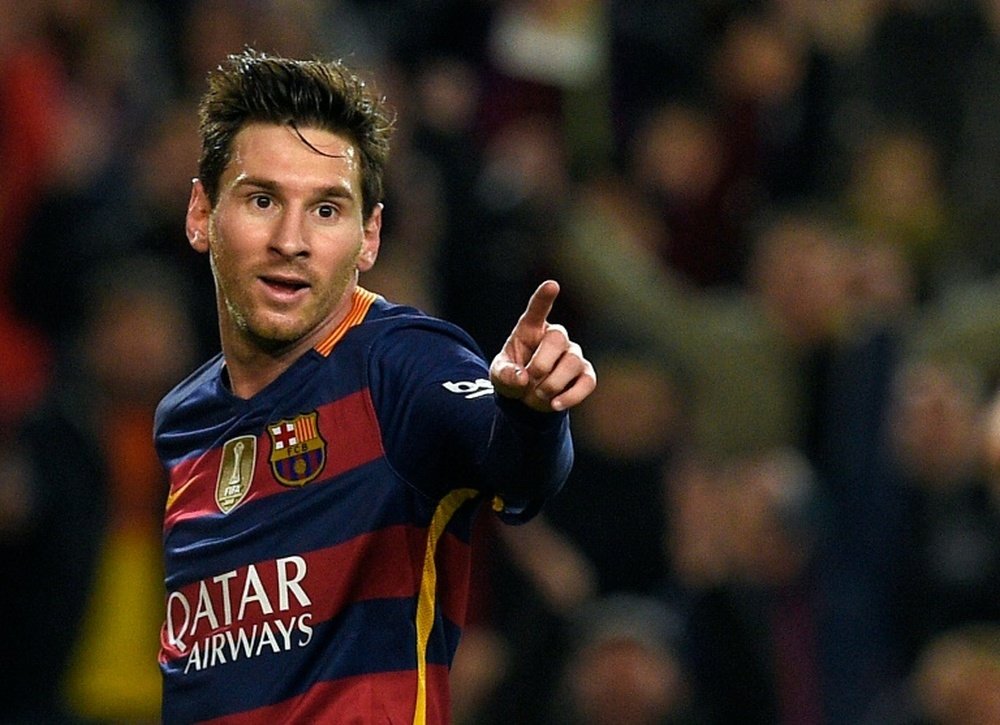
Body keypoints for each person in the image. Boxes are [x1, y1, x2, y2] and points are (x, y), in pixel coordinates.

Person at [154, 48, 596, 724]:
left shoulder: (397, 361)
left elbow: (516, 468)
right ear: (200, 213)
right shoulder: (182, 421)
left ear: (369, 237)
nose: (291, 239)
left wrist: (531, 410)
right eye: (263, 198)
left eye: (326, 210)